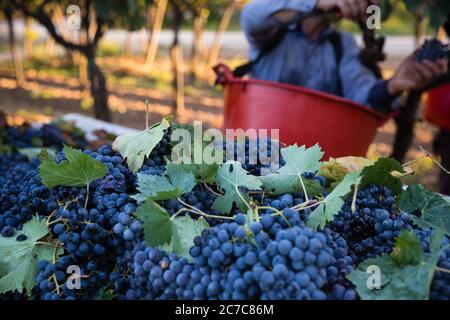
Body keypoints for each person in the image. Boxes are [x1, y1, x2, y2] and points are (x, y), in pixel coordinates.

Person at [241, 0, 448, 112]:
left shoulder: (342, 45)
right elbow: (251, 14)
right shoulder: (273, 32)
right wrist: (317, 3)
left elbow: (360, 94)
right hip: (262, 148)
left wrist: (394, 85)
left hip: (312, 163)